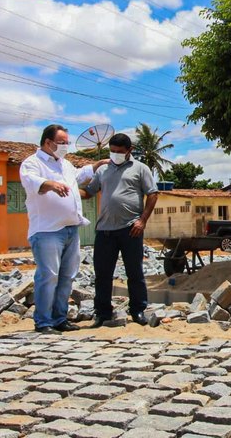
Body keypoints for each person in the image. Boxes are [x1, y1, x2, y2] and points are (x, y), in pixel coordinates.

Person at [19, 125, 107, 334]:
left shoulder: (65, 165)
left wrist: (97, 165)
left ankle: (60, 318)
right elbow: (31, 180)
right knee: (49, 276)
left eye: (67, 142)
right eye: (62, 142)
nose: (66, 146)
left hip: (70, 229)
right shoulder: (32, 163)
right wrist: (50, 184)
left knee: (67, 276)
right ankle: (43, 322)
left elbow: (78, 175)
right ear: (48, 143)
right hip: (47, 231)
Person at [83, 133, 158, 327]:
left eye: (119, 152)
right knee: (102, 275)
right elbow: (89, 192)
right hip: (105, 231)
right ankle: (102, 313)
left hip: (130, 229)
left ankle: (138, 310)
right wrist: (69, 190)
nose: (115, 154)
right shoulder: (102, 170)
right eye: (112, 151)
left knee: (135, 273)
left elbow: (152, 194)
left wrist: (142, 221)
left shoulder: (140, 169)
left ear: (129, 151)